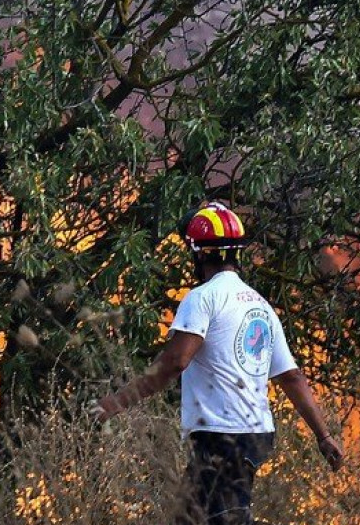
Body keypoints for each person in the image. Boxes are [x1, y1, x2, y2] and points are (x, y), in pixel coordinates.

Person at [93, 202, 344, 524]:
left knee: (222, 518)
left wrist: (116, 402)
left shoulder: (203, 297)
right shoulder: (261, 306)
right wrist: (323, 436)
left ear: (199, 255)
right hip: (256, 433)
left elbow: (175, 362)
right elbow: (292, 376)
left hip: (223, 435)